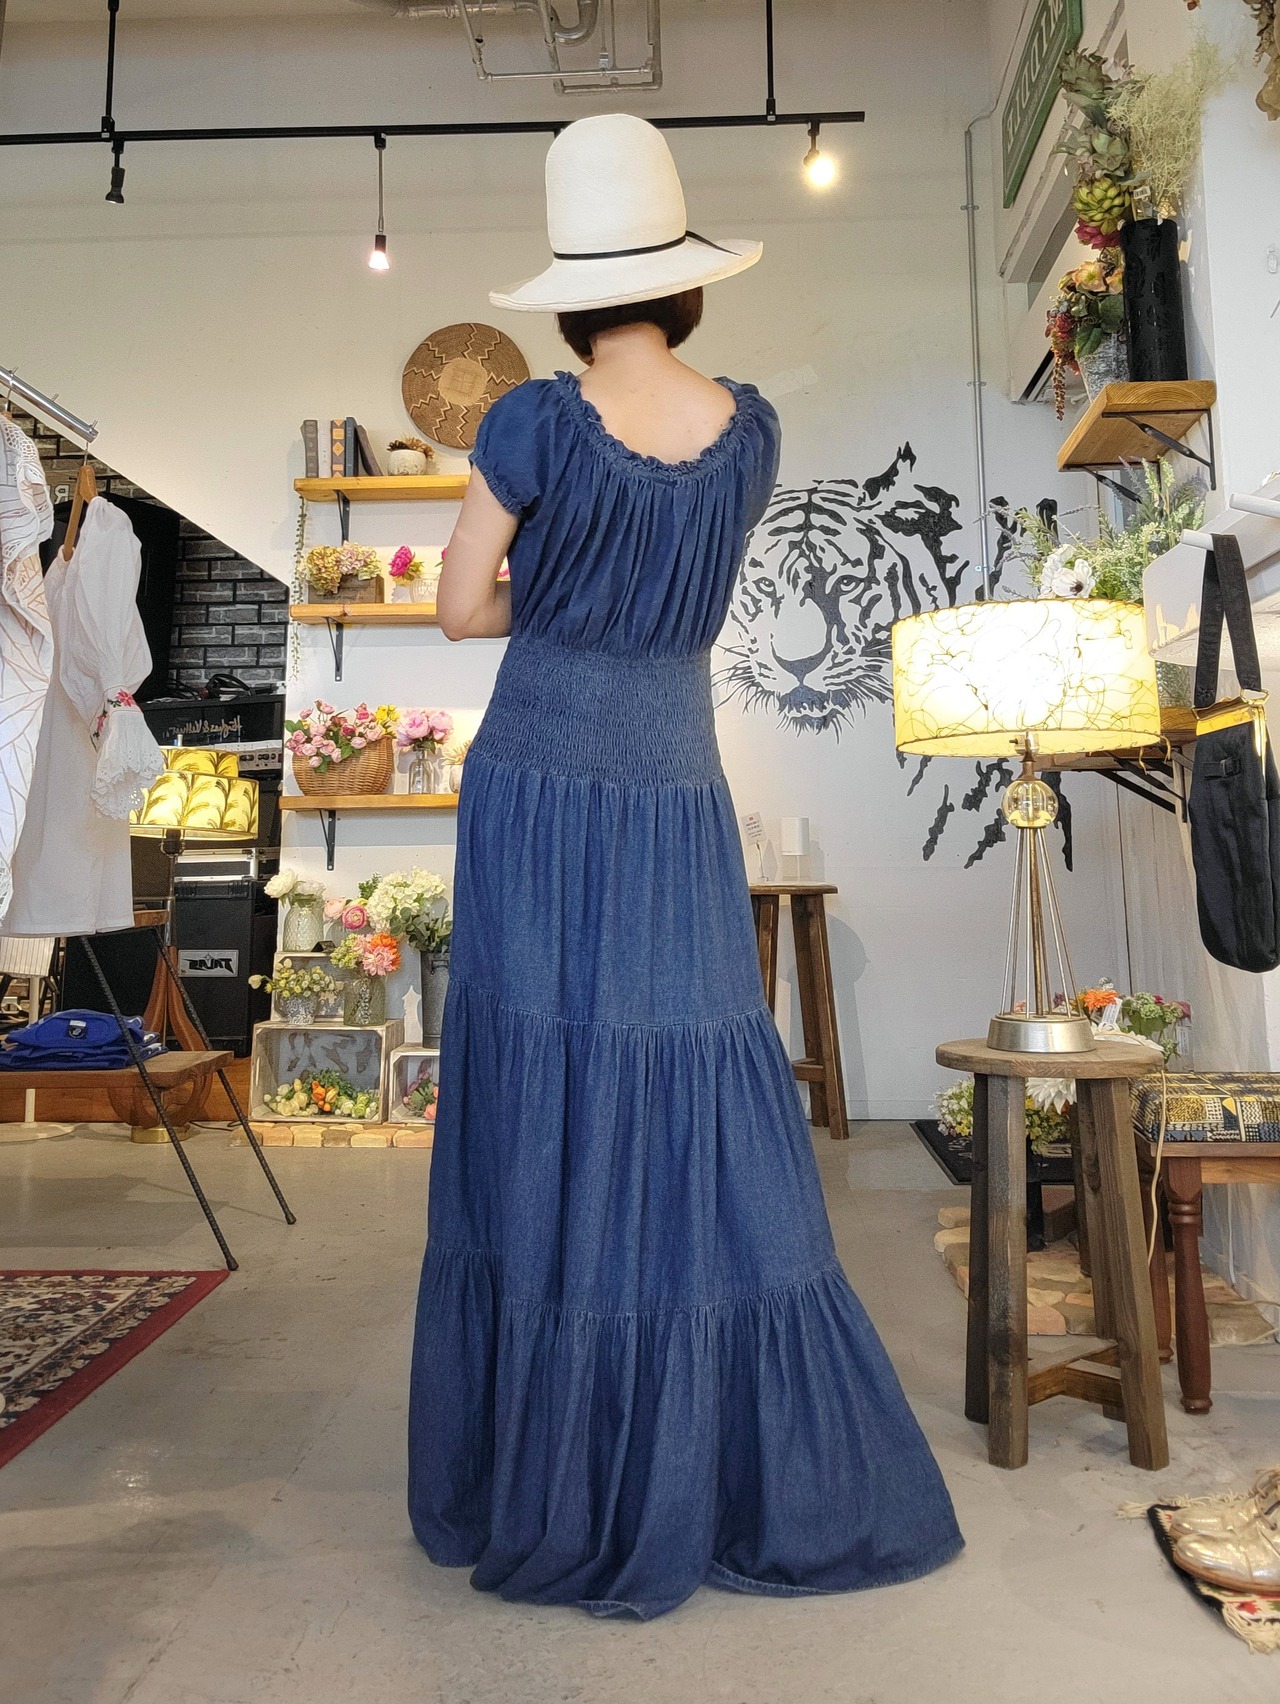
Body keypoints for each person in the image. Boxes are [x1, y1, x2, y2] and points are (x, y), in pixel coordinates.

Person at [408, 112, 962, 1620]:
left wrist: (549, 591)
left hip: (538, 779)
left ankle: (553, 1461)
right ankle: (712, 1457)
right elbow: (681, 577)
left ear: (571, 293)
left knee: (548, 1078)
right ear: (686, 279)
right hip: (671, 783)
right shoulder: (750, 428)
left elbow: (459, 609)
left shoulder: (531, 422)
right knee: (688, 1073)